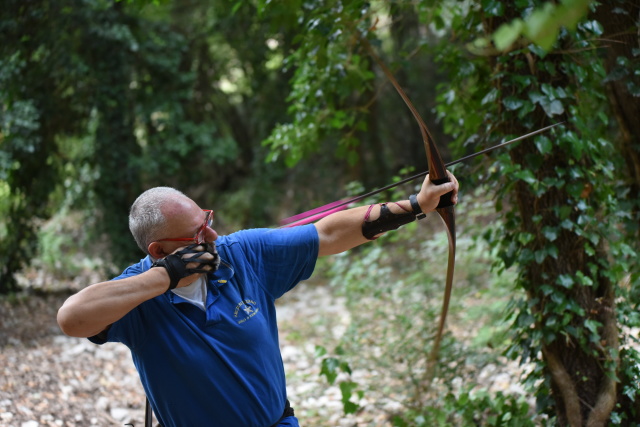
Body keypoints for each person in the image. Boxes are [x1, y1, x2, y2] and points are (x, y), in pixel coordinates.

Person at [57, 171, 459, 427]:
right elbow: (71, 318)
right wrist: (162, 279)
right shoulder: (136, 295)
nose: (213, 238)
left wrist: (416, 206)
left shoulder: (241, 254)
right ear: (161, 251)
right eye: (198, 236)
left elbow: (327, 234)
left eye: (207, 222)